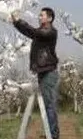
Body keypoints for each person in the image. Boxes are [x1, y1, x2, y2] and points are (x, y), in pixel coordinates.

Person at [11, 7, 59, 139]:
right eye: (39, 15)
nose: (39, 17)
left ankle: (53, 136)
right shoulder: (41, 32)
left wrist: (18, 21)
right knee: (47, 104)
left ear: (49, 18)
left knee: (49, 104)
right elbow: (31, 32)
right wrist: (16, 22)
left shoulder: (50, 32)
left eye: (42, 15)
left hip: (49, 72)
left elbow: (33, 32)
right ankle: (51, 133)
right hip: (42, 71)